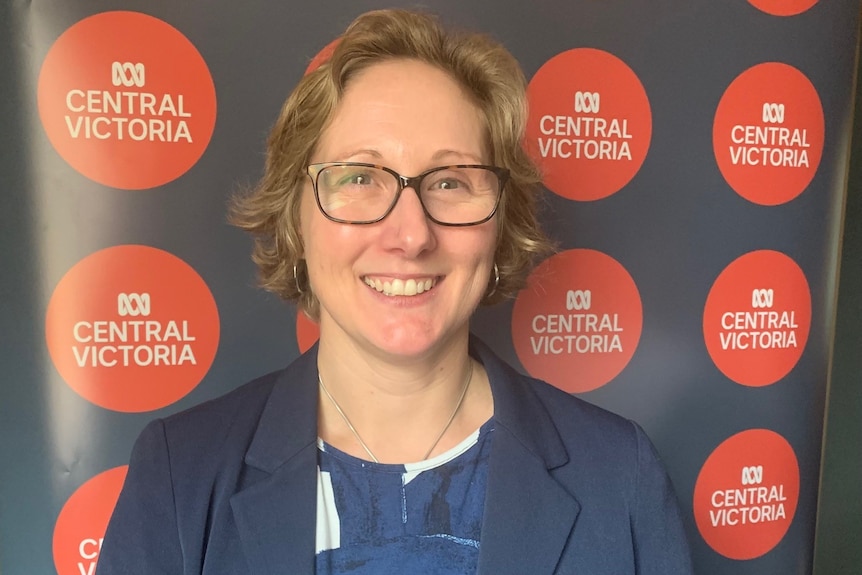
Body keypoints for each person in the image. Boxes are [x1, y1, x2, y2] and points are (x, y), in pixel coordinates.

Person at [97, 9, 692, 575]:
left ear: (500, 221)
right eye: (359, 177)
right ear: (295, 215)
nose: (410, 235)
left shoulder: (619, 474)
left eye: (453, 180)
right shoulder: (179, 474)